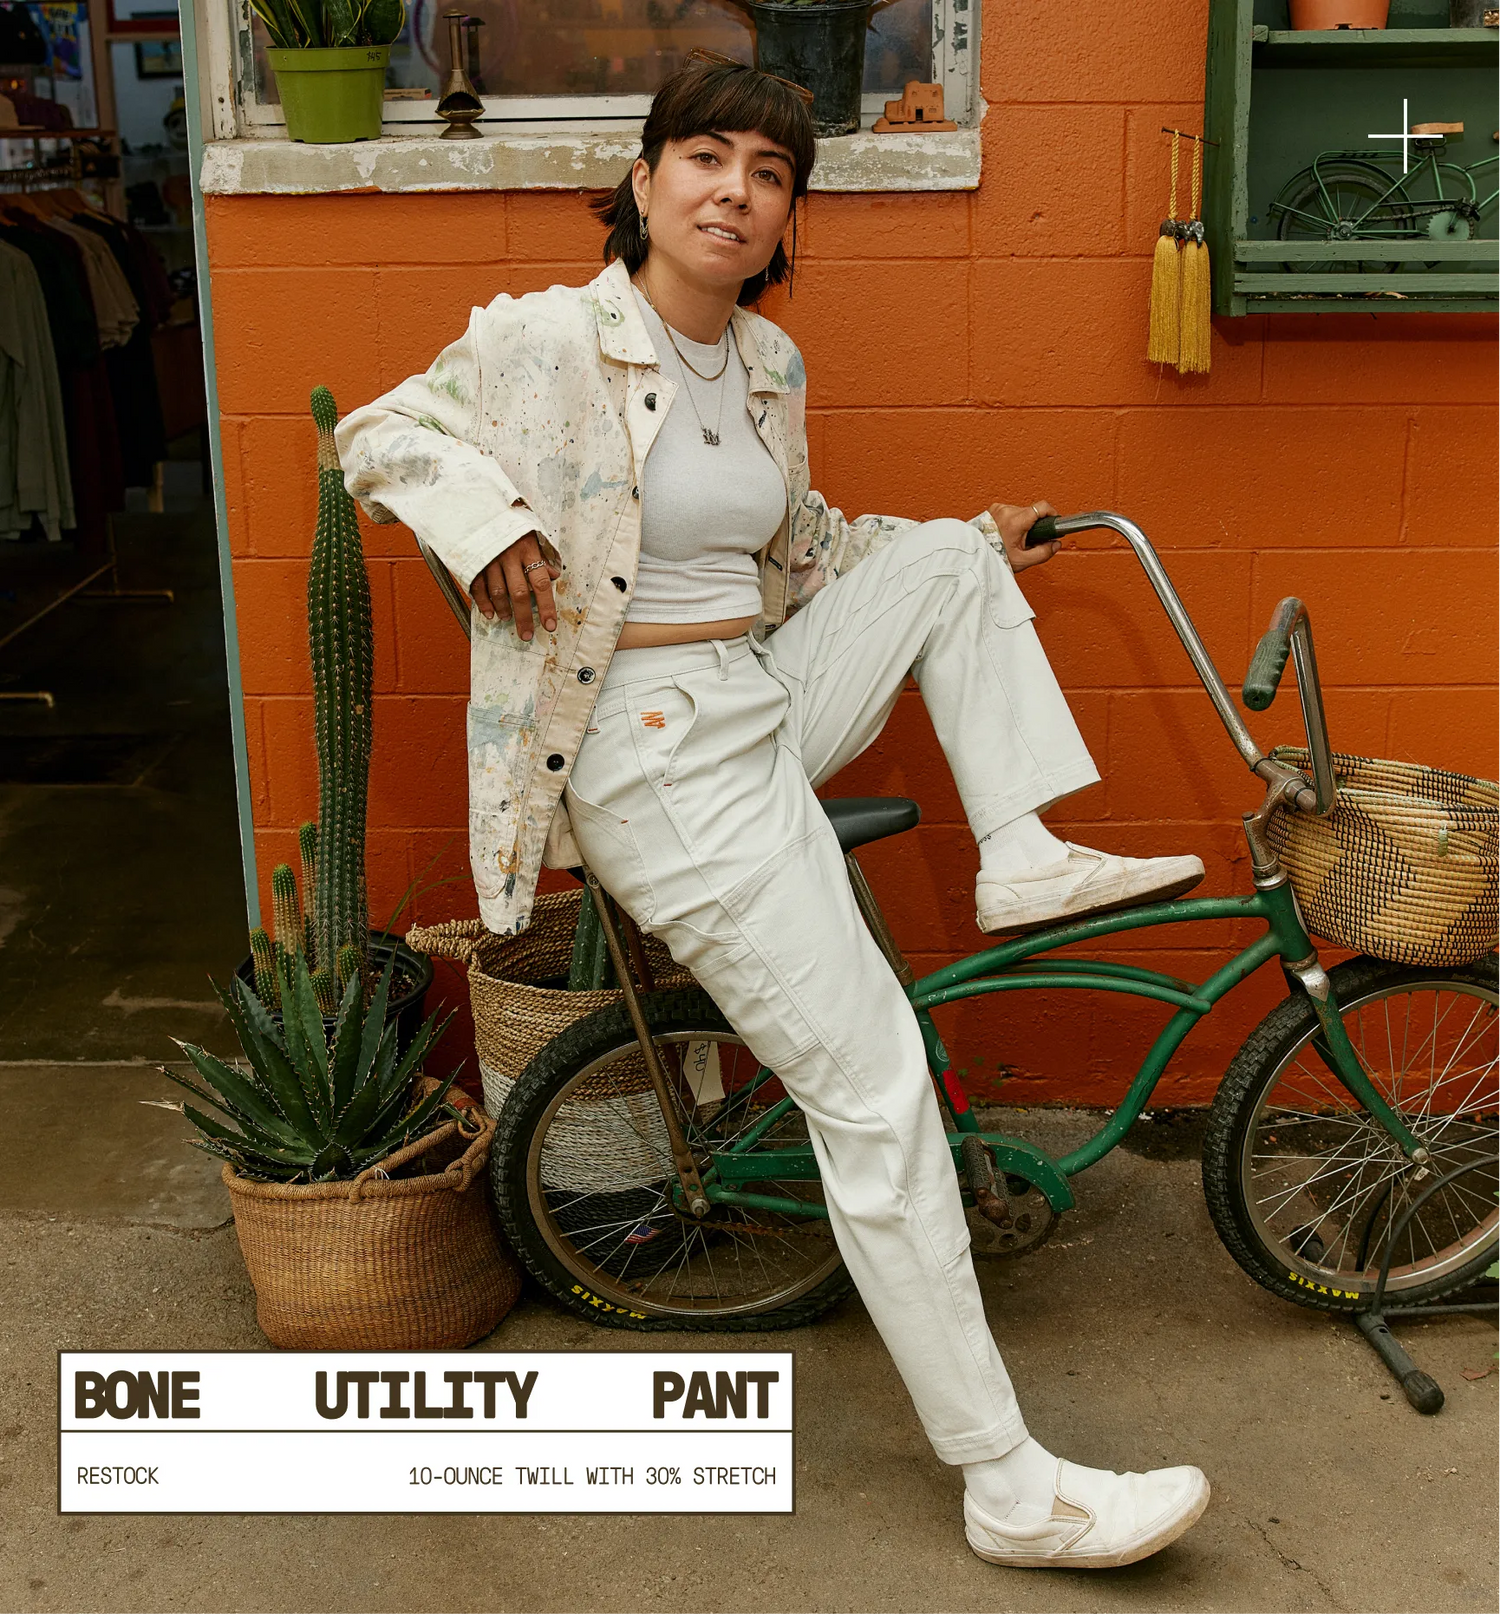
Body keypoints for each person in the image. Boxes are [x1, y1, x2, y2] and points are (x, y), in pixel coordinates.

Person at [337, 54, 1211, 1569]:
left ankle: (1018, 851)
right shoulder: (551, 338)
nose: (736, 189)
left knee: (944, 559)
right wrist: (484, 526)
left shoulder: (765, 368)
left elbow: (802, 549)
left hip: (758, 688)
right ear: (646, 177)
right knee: (873, 1092)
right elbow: (379, 434)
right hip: (652, 748)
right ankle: (1010, 1483)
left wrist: (965, 542)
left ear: (789, 210)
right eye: (706, 157)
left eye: (770, 170)